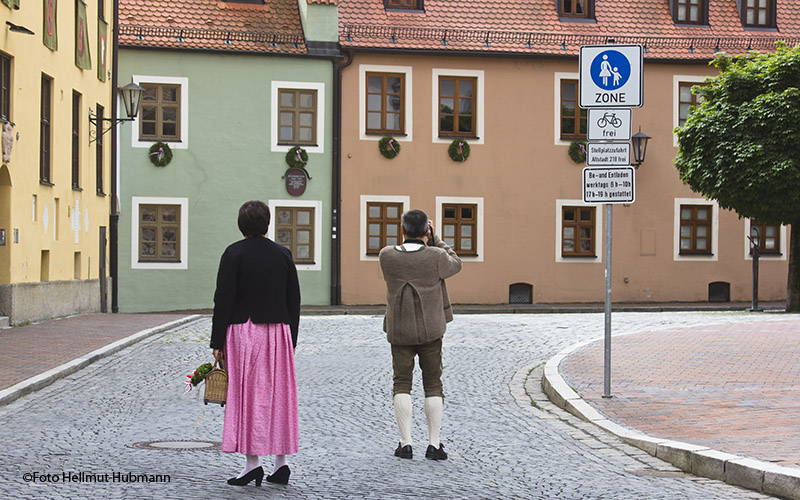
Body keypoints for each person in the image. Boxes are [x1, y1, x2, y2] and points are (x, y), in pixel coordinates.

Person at [210, 200, 300, 487]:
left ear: (240, 225)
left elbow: (223, 298)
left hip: (244, 331)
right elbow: (293, 300)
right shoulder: (283, 254)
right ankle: (281, 464)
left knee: (248, 396)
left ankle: (252, 464)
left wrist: (216, 340)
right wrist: (292, 338)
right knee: (279, 396)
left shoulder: (233, 253)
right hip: (278, 332)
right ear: (268, 224)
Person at [379, 209, 462, 461]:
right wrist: (435, 239)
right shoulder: (436, 256)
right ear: (426, 230)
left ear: (402, 230)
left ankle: (405, 443)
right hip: (431, 329)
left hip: (400, 329)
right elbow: (455, 264)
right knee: (433, 384)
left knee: (401, 383)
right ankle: (434, 445)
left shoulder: (386, 256)